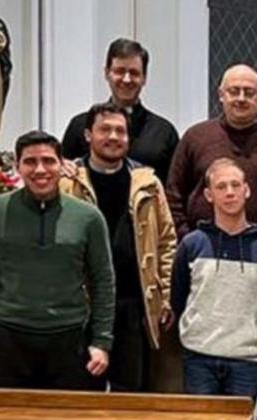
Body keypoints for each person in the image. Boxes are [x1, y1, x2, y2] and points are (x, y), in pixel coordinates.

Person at [171, 158, 257, 420]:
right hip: (200, 356)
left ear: (247, 190)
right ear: (208, 194)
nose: (230, 192)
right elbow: (179, 299)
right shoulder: (192, 245)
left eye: (236, 185)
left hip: (245, 359)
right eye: (221, 186)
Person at [60, 102, 179, 392]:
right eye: (105, 129)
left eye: (120, 131)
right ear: (88, 135)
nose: (113, 137)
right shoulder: (67, 183)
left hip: (132, 303)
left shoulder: (148, 184)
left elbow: (166, 241)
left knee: (131, 396)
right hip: (81, 307)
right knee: (83, 396)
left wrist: (163, 295)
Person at [0, 131, 113, 390]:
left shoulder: (88, 217)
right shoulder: (0, 210)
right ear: (17, 166)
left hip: (70, 341)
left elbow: (103, 282)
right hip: (8, 339)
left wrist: (101, 343)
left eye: (49, 161)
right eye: (30, 161)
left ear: (62, 165)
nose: (40, 169)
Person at [167, 63, 257, 239]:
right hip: (202, 253)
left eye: (249, 93)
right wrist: (188, 239)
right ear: (221, 95)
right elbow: (174, 196)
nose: (241, 98)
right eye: (234, 91)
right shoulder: (195, 138)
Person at [62, 38, 179, 183]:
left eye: (134, 73)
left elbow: (173, 190)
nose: (127, 79)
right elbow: (62, 172)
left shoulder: (164, 133)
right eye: (119, 71)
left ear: (144, 78)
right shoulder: (80, 125)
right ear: (106, 73)